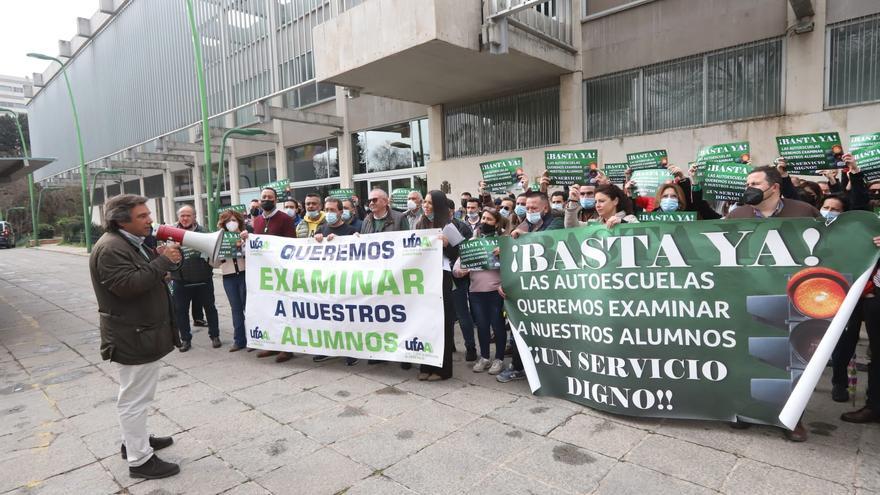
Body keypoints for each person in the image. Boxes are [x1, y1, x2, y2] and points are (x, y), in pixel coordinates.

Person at [89, 194, 181, 479]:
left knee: (136, 395)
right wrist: (162, 263)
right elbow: (127, 285)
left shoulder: (128, 243)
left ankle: (134, 442)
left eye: (148, 214)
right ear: (121, 220)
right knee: (134, 399)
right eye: (142, 216)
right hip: (133, 334)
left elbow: (143, 275)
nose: (150, 220)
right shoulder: (111, 249)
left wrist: (162, 263)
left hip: (140, 331)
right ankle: (140, 460)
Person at [498, 191, 564, 383]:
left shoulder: (556, 221)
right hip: (525, 286)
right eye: (527, 208)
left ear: (545, 207)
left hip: (548, 289)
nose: (529, 211)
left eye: (534, 208)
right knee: (520, 327)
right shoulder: (525, 223)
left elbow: (547, 240)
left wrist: (524, 236)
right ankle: (519, 367)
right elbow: (515, 256)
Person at [240, 187, 297, 363]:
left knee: (283, 311)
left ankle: (287, 348)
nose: (266, 199)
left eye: (269, 197)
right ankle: (272, 344)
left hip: (280, 273)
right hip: (264, 275)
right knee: (269, 310)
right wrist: (247, 238)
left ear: (275, 200)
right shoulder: (256, 220)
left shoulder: (285, 219)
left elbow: (291, 245)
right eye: (263, 197)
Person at [454, 207, 507, 375]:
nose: (484, 221)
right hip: (476, 292)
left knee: (497, 326)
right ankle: (484, 357)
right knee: (482, 326)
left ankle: (498, 358)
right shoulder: (471, 243)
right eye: (483, 218)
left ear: (497, 223)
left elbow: (512, 267)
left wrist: (503, 254)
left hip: (495, 292)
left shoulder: (502, 242)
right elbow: (457, 266)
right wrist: (460, 271)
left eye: (489, 219)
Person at [414, 191, 460, 381]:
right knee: (425, 322)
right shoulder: (419, 224)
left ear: (439, 206)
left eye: (430, 203)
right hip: (423, 278)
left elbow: (458, 254)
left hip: (442, 278)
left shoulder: (449, 226)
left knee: (442, 323)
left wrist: (448, 245)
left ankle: (443, 369)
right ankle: (426, 365)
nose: (426, 205)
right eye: (424, 202)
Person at [312, 197, 360, 365]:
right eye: (327, 210)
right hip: (324, 282)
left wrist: (344, 242)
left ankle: (350, 352)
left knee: (346, 317)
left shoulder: (350, 231)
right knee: (326, 317)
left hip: (344, 282)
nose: (330, 213)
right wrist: (317, 239)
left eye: (333, 210)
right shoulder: (321, 229)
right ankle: (326, 349)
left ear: (341, 212)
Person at [169, 205, 221, 352]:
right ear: (178, 217)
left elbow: (213, 255)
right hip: (180, 279)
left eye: (188, 215)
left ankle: (215, 336)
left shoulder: (204, 232)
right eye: (182, 216)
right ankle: (185, 339)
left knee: (210, 308)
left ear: (194, 217)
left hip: (203, 278)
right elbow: (165, 255)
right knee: (181, 311)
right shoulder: (171, 233)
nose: (185, 218)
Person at [726, 166, 820, 220]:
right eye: (747, 185)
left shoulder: (804, 211)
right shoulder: (736, 215)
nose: (749, 188)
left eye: (755, 184)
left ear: (774, 187)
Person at [216, 209, 249, 352]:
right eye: (228, 221)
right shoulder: (219, 239)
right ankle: (239, 340)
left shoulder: (245, 236)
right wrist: (218, 253)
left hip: (244, 274)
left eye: (234, 220)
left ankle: (254, 339)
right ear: (223, 223)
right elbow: (214, 264)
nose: (231, 223)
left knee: (249, 308)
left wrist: (244, 243)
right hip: (229, 277)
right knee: (236, 309)